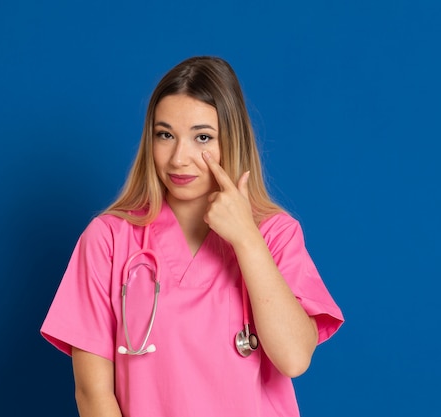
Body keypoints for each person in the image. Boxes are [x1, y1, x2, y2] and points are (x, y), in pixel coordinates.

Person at [41, 56, 344, 417]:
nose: (179, 158)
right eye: (165, 135)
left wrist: (247, 239)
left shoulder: (275, 234)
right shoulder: (108, 240)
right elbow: (93, 394)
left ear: (231, 142)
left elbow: (294, 358)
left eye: (202, 137)